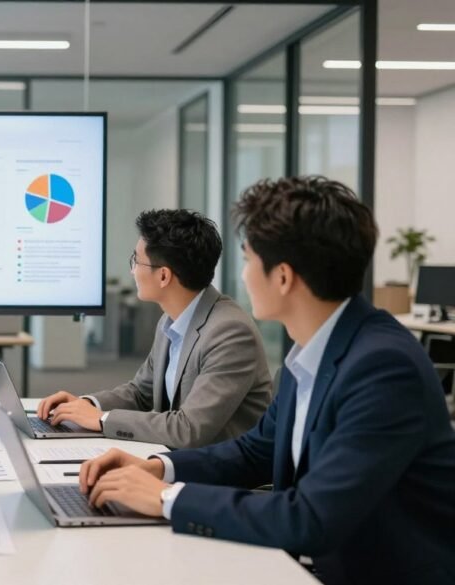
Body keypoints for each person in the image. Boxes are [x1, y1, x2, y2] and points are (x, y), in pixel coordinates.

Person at [80, 177, 455, 585]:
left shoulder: (383, 368)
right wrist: (158, 468)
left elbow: (311, 517)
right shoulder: (311, 350)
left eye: (248, 260)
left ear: (283, 277)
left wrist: (168, 498)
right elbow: (256, 451)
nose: (242, 277)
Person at [36, 209, 272, 448]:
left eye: (136, 260)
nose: (132, 271)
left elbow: (189, 429)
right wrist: (87, 405)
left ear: (163, 276)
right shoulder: (170, 320)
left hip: (215, 467)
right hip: (174, 456)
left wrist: (101, 419)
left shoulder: (230, 333)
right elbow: (141, 393)